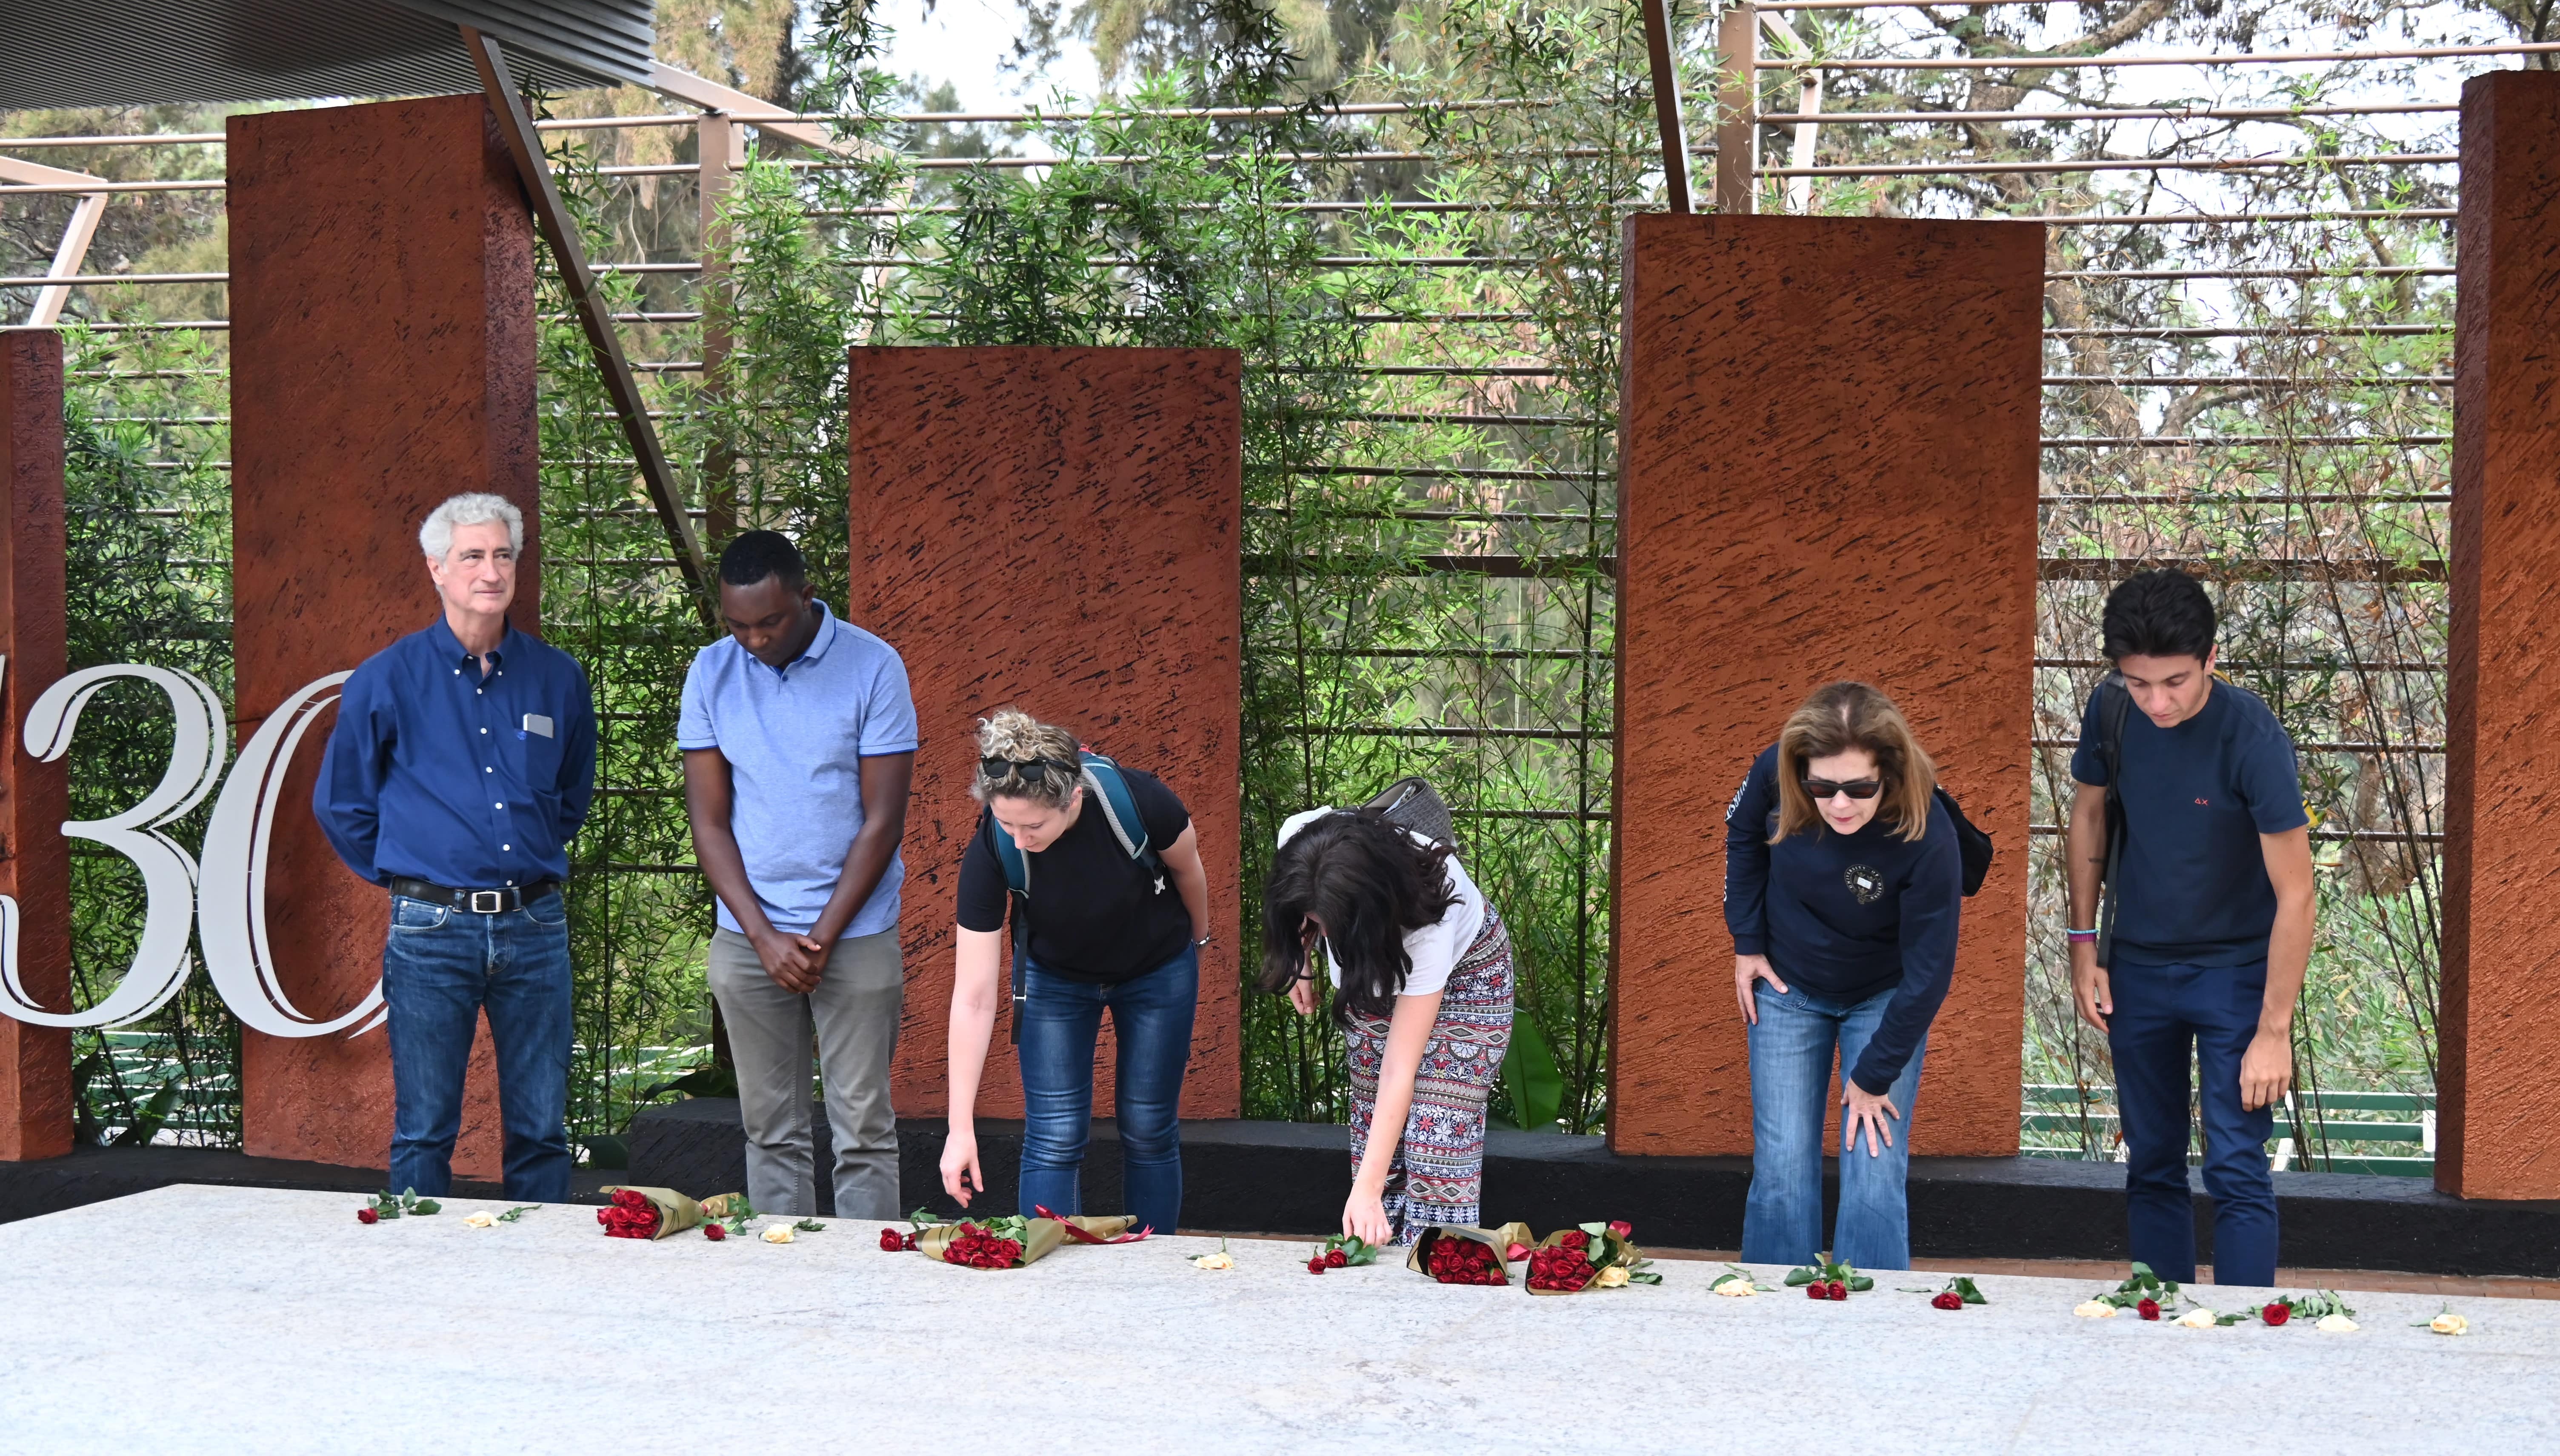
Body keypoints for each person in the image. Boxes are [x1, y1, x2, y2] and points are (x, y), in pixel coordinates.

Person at [315, 492, 596, 1201]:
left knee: (541, 1128)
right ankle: (418, 1291)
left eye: (503, 554)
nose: (490, 570)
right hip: (430, 929)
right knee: (424, 1128)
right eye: (472, 555)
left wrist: (520, 855)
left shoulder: (558, 678)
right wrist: (414, 874)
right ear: (437, 568)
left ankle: (538, 1286)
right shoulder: (387, 678)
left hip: (535, 924)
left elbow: (570, 796)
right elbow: (342, 802)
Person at [2066, 568, 2311, 1289]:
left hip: (2236, 973)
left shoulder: (2252, 735)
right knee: (2151, 1157)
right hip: (2138, 966)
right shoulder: (2111, 711)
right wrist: (2084, 947)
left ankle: (2241, 1344)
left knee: (2236, 1162)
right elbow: (2088, 815)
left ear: (2210, 658)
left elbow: (2296, 893)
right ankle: (2160, 1330)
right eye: (2139, 684)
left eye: (2174, 681)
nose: (2156, 701)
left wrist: (2275, 1028)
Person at [679, 531, 917, 1219]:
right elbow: (709, 824)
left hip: (856, 931)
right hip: (749, 936)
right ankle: (786, 1284)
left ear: (806, 597)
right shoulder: (711, 672)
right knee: (769, 1130)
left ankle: (866, 1290)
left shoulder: (874, 666)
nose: (753, 640)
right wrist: (764, 936)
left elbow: (882, 822)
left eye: (770, 621)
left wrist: (817, 938)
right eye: (737, 624)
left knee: (865, 1130)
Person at [939, 710, 1213, 1236]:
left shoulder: (1138, 801)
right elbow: (972, 996)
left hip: (1156, 968)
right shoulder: (992, 850)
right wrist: (958, 1128)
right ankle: (1047, 1277)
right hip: (1056, 978)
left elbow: (1188, 870)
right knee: (1054, 1133)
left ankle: (1152, 1271)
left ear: (1074, 801)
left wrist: (1196, 945)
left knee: (1149, 1126)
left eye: (1033, 825)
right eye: (1006, 822)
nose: (1018, 839)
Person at [1726, 682, 1961, 1272]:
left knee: (1874, 1168)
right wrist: (1747, 942)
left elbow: (1931, 970)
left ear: (1891, 772)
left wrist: (1875, 1074)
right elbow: (1743, 839)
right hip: (1787, 988)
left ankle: (1872, 1332)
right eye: (1822, 787)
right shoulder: (1774, 773)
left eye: (1859, 788)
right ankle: (1776, 1321)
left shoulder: (1928, 830)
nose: (1839, 804)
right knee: (1781, 1166)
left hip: (1884, 995)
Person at [1261, 805, 1514, 1246]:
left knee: (1438, 1131)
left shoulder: (1429, 922)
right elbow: (1297, 904)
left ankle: (1436, 1263)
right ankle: (1381, 1260)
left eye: (1330, 925)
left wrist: (1365, 1188)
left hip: (1469, 977)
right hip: (1372, 969)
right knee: (1374, 1120)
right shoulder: (1302, 840)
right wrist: (1300, 958)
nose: (1323, 932)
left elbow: (1400, 1068)